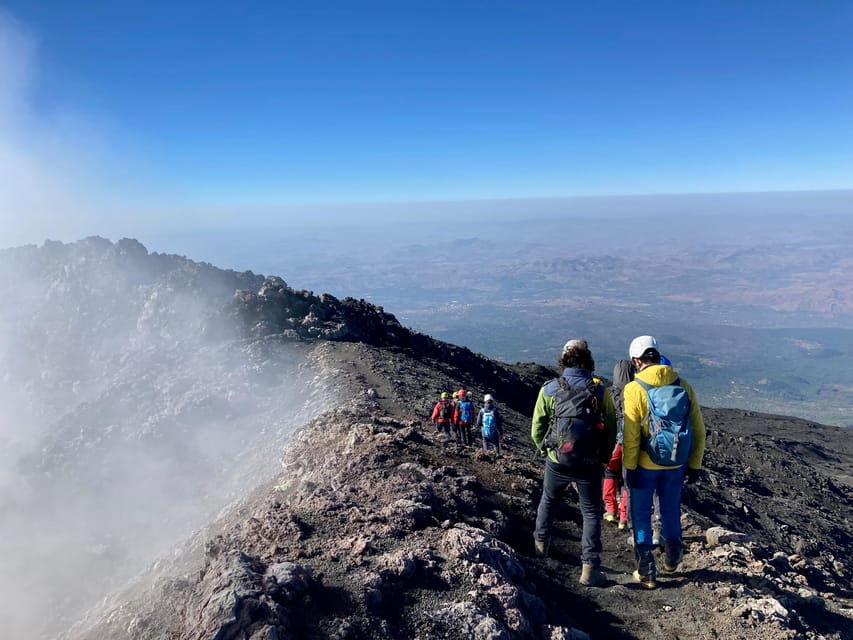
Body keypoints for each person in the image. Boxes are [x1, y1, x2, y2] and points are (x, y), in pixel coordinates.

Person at [531, 339, 617, 587]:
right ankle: (589, 568)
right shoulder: (600, 391)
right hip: (589, 464)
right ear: (588, 360)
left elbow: (537, 426)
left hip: (558, 460)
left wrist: (547, 451)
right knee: (590, 512)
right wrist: (603, 457)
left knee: (548, 500)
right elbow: (611, 428)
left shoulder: (549, 389)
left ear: (563, 360)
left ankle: (540, 548)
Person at [622, 336, 706, 590]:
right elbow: (699, 430)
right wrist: (695, 464)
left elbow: (631, 436)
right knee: (669, 510)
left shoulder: (634, 389)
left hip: (645, 466)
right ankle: (672, 557)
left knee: (640, 515)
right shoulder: (684, 385)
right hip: (676, 465)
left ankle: (646, 571)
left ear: (637, 361)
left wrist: (630, 467)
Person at [603, 359, 634, 530]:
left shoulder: (608, 394)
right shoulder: (635, 393)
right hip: (630, 444)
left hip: (612, 444)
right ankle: (624, 518)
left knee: (609, 474)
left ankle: (610, 510)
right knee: (627, 481)